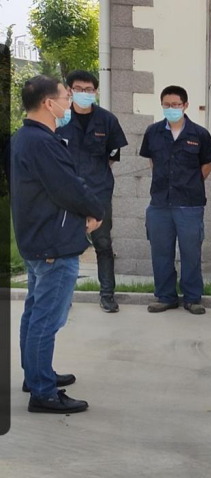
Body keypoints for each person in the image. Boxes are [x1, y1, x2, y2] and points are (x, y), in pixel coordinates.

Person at [11, 75, 105, 413]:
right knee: (46, 319)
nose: (70, 102)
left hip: (39, 239)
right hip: (53, 244)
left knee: (36, 312)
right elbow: (67, 187)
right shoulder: (41, 142)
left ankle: (36, 375)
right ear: (49, 104)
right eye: (66, 96)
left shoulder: (24, 138)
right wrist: (96, 210)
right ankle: (43, 392)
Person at [140, 85, 211, 315]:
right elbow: (152, 161)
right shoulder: (153, 132)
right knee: (161, 252)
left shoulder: (199, 134)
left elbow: (207, 165)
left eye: (176, 104)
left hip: (190, 204)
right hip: (159, 204)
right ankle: (165, 297)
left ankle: (192, 298)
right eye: (167, 105)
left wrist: (190, 184)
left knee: (190, 252)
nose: (171, 108)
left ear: (185, 105)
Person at [56, 70, 128, 313]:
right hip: (66, 193)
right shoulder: (60, 118)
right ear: (69, 90)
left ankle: (107, 295)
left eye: (88, 90)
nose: (84, 93)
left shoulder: (107, 120)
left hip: (98, 192)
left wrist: (94, 176)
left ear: (95, 91)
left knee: (103, 243)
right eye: (78, 89)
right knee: (65, 246)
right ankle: (64, 297)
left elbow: (113, 155)